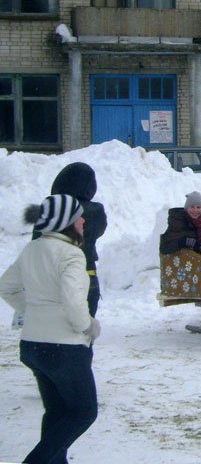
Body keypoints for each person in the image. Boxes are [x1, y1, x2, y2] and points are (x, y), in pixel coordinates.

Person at [0, 194, 101, 464]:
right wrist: (88, 326)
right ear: (67, 222)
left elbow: (5, 286)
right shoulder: (71, 254)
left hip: (32, 346)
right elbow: (72, 299)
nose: (82, 220)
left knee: (57, 413)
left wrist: (30, 310)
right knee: (83, 412)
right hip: (64, 348)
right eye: (78, 216)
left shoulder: (32, 248)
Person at [33, 162, 107, 317]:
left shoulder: (49, 207)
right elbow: (99, 231)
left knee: (52, 333)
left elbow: (36, 243)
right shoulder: (96, 210)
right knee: (83, 333)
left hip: (52, 279)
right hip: (86, 276)